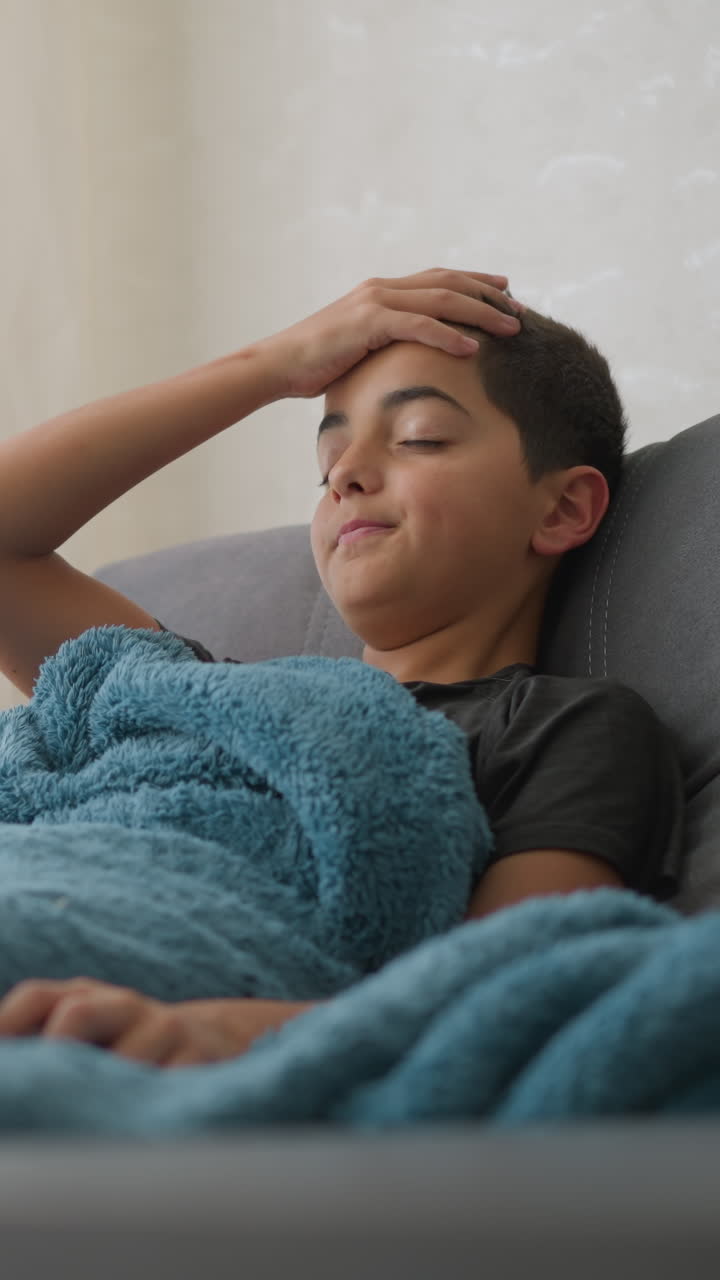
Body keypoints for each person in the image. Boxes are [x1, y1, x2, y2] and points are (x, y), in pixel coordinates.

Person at [0, 267, 685, 1068]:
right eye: (328, 463)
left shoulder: (561, 729)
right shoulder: (206, 701)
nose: (347, 476)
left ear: (563, 508)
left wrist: (215, 1030)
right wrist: (270, 366)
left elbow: (503, 992)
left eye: (419, 436)